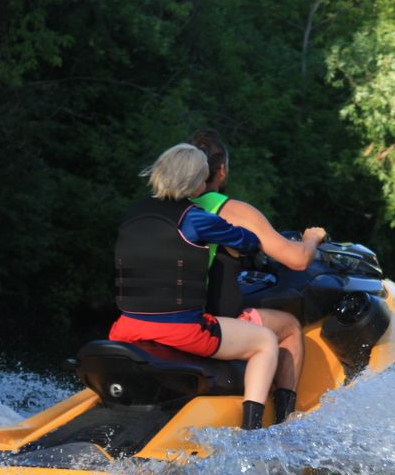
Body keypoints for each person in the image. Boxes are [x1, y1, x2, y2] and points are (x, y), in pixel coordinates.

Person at [108, 143, 279, 430]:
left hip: (126, 326)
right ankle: (253, 433)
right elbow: (247, 241)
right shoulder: (194, 218)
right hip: (182, 331)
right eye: (202, 176)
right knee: (265, 342)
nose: (205, 181)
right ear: (194, 181)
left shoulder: (134, 213)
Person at [188, 129, 327, 425]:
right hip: (211, 322)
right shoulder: (228, 209)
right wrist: (311, 238)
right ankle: (283, 424)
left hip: (170, 315)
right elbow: (298, 260)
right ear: (222, 170)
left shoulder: (171, 205)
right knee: (288, 327)